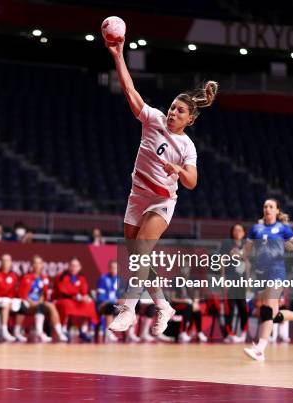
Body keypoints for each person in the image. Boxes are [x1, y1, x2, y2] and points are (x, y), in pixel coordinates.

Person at [104, 37, 218, 337]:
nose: (172, 112)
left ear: (190, 119)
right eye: (172, 107)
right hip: (137, 195)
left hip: (162, 201)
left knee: (140, 251)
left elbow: (192, 182)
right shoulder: (152, 119)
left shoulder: (187, 146)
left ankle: (127, 309)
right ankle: (164, 305)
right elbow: (130, 90)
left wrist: (178, 169)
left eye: (180, 111)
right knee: (136, 255)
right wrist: (117, 54)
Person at [243, 199, 293, 361]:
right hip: (261, 275)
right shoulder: (255, 229)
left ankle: (260, 350)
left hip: (277, 273)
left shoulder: (284, 229)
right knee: (271, 314)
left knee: (267, 309)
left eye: (271, 207)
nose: (267, 209)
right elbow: (246, 254)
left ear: (276, 211)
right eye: (265, 206)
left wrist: (292, 248)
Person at [18, 255, 68, 342]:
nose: (37, 265)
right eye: (35, 263)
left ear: (42, 265)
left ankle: (60, 333)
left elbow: (44, 294)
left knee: (51, 306)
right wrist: (32, 302)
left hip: (39, 304)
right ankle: (40, 332)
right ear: (32, 265)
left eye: (39, 263)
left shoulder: (44, 278)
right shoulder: (26, 277)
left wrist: (40, 300)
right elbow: (23, 295)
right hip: (28, 304)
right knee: (40, 306)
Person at [54, 257, 98, 342]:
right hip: (63, 299)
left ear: (80, 267)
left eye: (76, 266)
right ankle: (64, 329)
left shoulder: (81, 278)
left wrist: (85, 297)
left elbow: (84, 291)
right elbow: (64, 292)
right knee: (67, 305)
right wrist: (78, 296)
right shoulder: (62, 276)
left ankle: (83, 330)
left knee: (90, 303)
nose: (74, 268)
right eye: (72, 265)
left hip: (77, 300)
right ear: (69, 266)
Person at [220, 224, 250, 343]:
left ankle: (243, 332)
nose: (237, 232)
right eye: (235, 230)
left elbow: (248, 265)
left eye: (240, 230)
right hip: (230, 281)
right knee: (230, 309)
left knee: (243, 308)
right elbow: (222, 261)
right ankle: (229, 333)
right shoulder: (227, 244)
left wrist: (248, 283)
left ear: (243, 233)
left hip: (241, 282)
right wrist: (223, 279)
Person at [0, 254, 27, 342]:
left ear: (11, 263)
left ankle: (17, 331)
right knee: (6, 304)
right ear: (0, 262)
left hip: (10, 300)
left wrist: (18, 299)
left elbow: (16, 292)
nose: (6, 263)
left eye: (8, 261)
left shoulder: (14, 275)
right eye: (3, 260)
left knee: (23, 306)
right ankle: (4, 331)